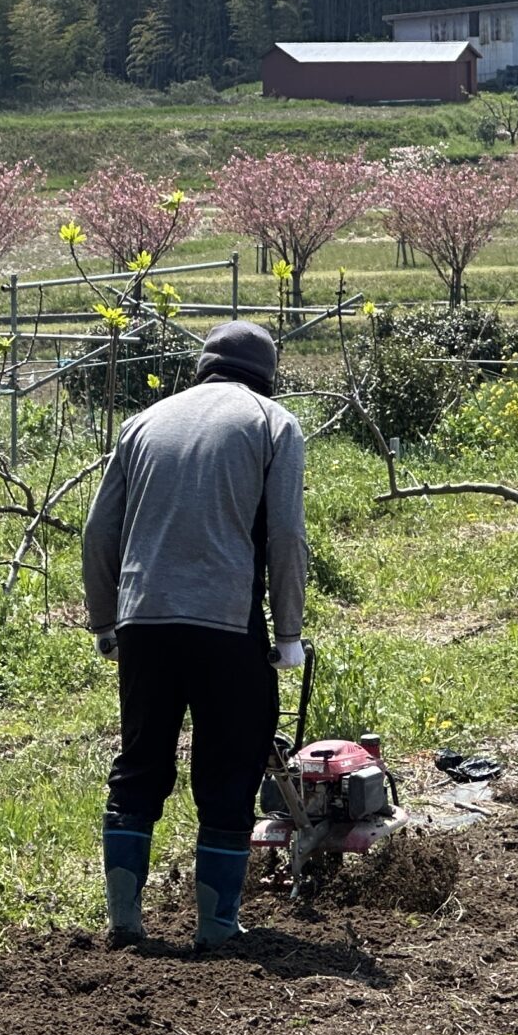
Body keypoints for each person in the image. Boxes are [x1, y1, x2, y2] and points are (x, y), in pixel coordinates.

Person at [82, 320, 308, 948]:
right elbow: (287, 536)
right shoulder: (272, 422)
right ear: (268, 375)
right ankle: (217, 926)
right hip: (225, 622)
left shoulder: (144, 422)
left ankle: (125, 923)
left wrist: (106, 620)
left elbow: (99, 534)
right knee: (229, 766)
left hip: (142, 621)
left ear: (203, 368)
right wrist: (287, 633)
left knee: (140, 763)